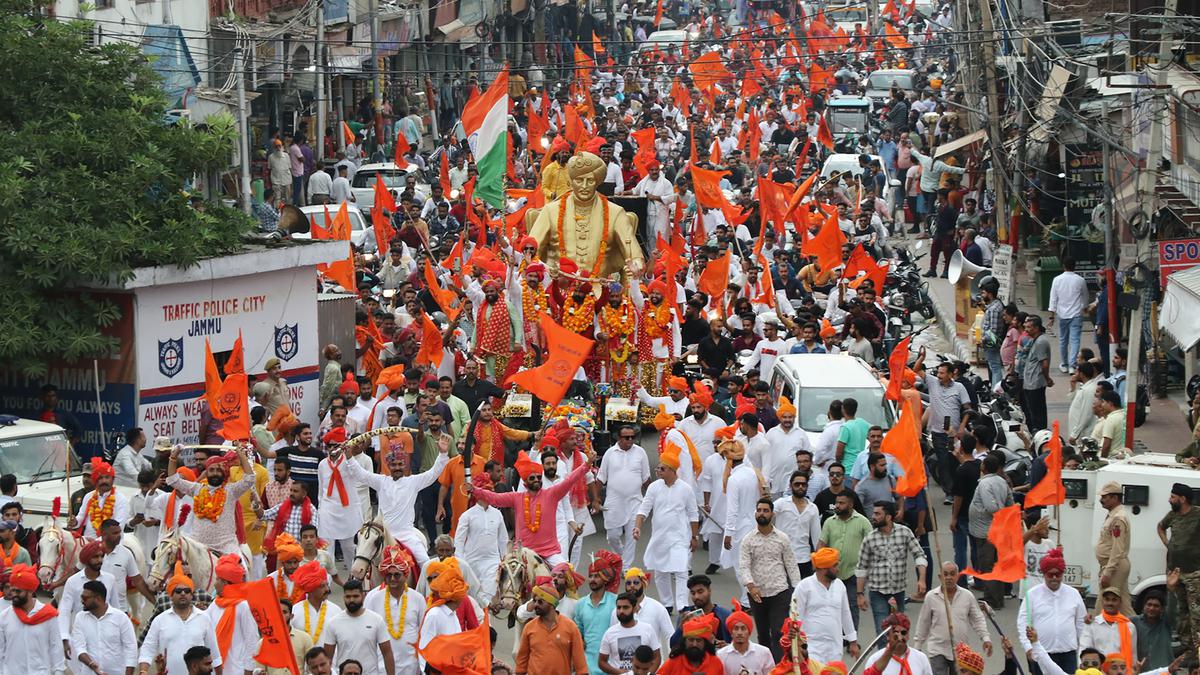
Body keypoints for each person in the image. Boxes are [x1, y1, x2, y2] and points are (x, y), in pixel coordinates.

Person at [337, 431, 450, 567]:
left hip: (407, 535)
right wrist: (349, 457)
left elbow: (434, 473)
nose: (397, 468)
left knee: (426, 564)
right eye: (394, 465)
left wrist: (443, 454)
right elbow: (361, 474)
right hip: (383, 535)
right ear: (389, 466)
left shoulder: (414, 482)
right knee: (361, 563)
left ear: (405, 466)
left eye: (400, 465)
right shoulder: (381, 481)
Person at [470, 449, 590, 567]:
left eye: (538, 477)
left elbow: (570, 480)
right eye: (532, 478)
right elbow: (494, 498)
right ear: (525, 483)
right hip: (523, 552)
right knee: (507, 578)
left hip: (549, 551)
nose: (536, 480)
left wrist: (586, 465)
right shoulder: (516, 498)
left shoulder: (552, 494)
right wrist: (474, 490)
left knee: (565, 572)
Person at [633, 442, 700, 614]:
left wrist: (694, 537)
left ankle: (682, 605)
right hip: (660, 537)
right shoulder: (654, 487)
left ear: (672, 470)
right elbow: (644, 509)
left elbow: (693, 515)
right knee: (660, 571)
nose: (658, 472)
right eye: (658, 469)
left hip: (680, 537)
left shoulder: (685, 489)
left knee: (681, 569)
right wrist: (637, 527)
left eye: (661, 469)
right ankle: (667, 603)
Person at [738, 498, 801, 661]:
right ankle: (765, 665)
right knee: (763, 633)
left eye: (766, 510)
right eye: (759, 510)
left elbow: (791, 565)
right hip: (757, 595)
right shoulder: (748, 540)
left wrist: (797, 591)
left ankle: (779, 666)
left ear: (772, 514)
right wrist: (751, 586)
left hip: (779, 592)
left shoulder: (782, 538)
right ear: (755, 513)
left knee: (779, 632)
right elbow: (744, 566)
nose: (762, 513)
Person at [166, 446, 257, 554]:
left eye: (218, 470)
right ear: (206, 472)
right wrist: (173, 457)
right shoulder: (197, 489)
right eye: (211, 470)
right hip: (198, 546)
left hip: (226, 547)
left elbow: (249, 479)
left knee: (240, 569)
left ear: (224, 472)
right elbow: (173, 480)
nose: (214, 473)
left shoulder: (231, 491)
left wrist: (242, 457)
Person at [856, 500, 928, 632]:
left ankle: (897, 653)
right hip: (877, 592)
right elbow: (862, 568)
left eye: (878, 514)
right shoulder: (869, 539)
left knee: (898, 630)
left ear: (888, 517)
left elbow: (920, 556)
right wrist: (860, 594)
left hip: (898, 591)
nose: (873, 517)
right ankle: (884, 651)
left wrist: (922, 579)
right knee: (882, 631)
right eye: (874, 513)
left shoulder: (905, 532)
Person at [140, 561, 223, 675]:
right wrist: (143, 671)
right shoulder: (160, 620)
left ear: (191, 595)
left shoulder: (204, 618)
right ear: (171, 595)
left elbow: (214, 653)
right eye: (178, 591)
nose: (183, 593)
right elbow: (147, 649)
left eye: (187, 591)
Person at [912, 562, 991, 675]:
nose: (949, 577)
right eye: (945, 574)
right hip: (937, 649)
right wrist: (917, 647)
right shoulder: (931, 597)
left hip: (961, 650)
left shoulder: (967, 596)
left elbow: (977, 619)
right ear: (940, 577)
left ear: (958, 576)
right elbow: (923, 622)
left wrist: (985, 638)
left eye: (952, 574)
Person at [1016, 548, 1087, 674]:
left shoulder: (1074, 594)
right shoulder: (1032, 595)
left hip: (1068, 655)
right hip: (1042, 654)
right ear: (1044, 574)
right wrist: (1028, 647)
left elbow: (1081, 624)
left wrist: (1083, 652)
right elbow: (1023, 623)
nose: (1054, 578)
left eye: (1058, 574)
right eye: (1050, 574)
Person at [791, 547, 859, 663]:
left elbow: (845, 614)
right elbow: (796, 617)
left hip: (835, 647)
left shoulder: (840, 586)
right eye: (834, 566)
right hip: (811, 647)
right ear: (823, 568)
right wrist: (797, 644)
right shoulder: (804, 586)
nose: (838, 569)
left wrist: (853, 642)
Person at [598, 424, 651, 572]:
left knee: (632, 536)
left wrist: (652, 499)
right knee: (613, 535)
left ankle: (626, 567)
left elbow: (646, 478)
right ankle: (621, 557)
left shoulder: (640, 453)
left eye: (633, 437)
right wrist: (595, 500)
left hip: (635, 502)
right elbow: (600, 479)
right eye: (626, 437)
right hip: (614, 502)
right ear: (619, 438)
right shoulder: (610, 453)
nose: (630, 440)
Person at [364, 545, 424, 675]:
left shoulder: (417, 598)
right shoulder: (374, 598)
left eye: (397, 575)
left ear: (405, 575)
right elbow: (368, 631)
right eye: (389, 575)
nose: (392, 579)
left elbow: (422, 631)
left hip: (412, 663)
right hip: (382, 664)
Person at [453, 473, 508, 606]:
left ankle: (488, 623)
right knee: (473, 598)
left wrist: (504, 559)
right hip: (471, 561)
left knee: (488, 596)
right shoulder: (467, 515)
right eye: (486, 490)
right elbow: (459, 541)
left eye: (490, 490)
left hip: (492, 561)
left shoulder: (497, 514)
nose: (489, 493)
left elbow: (503, 539)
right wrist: (461, 563)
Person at [1157, 483, 1200, 655]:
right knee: (1181, 612)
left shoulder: (1197, 514)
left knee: (1196, 614)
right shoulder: (1173, 515)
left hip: (1195, 573)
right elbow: (1160, 527)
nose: (1170, 500)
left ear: (1183, 499)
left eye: (1173, 497)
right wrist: (1168, 544)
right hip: (1175, 573)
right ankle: (1187, 648)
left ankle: (1198, 650)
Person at [0, 564, 65, 673]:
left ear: (30, 592)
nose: (13, 595)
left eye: (18, 591)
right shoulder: (4, 617)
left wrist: (58, 672)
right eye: (12, 590)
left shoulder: (48, 615)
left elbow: (56, 648)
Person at [968, 453, 1014, 608]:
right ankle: (994, 596)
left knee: (988, 565)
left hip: (986, 531)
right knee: (995, 564)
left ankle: (993, 600)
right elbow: (1010, 502)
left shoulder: (985, 484)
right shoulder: (1002, 482)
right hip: (995, 530)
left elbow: (992, 507)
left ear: (984, 467)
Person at [515, 581, 589, 675]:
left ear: (552, 605)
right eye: (535, 601)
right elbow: (521, 664)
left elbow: (581, 665)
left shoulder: (570, 627)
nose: (536, 604)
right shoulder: (529, 627)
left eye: (540, 601)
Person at [323, 579, 395, 675]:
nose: (352, 600)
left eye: (355, 596)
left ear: (363, 596)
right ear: (343, 597)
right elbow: (328, 658)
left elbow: (387, 653)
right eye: (348, 596)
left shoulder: (376, 620)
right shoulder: (333, 622)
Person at [70, 579, 138, 675]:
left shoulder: (121, 618)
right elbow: (79, 647)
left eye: (85, 598)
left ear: (98, 599)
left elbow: (131, 648)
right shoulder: (80, 618)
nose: (81, 601)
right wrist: (91, 664)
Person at [576, 551, 622, 674]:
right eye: (590, 576)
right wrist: (580, 639)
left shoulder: (616, 601)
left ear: (605, 578)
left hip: (610, 666)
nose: (592, 579)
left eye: (597, 576)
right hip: (587, 667)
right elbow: (577, 631)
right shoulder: (580, 604)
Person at [600, 591, 663, 674]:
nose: (621, 611)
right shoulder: (609, 633)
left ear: (634, 608)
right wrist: (620, 673)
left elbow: (657, 656)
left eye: (625, 607)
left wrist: (646, 673)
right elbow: (601, 662)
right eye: (619, 607)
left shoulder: (647, 629)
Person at [774, 471, 823, 577]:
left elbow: (817, 537)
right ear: (791, 486)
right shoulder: (781, 504)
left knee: (802, 592)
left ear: (807, 486)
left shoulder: (812, 508)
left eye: (803, 484)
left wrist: (818, 561)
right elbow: (762, 515)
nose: (800, 487)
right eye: (797, 484)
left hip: (804, 559)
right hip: (781, 558)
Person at [1095, 480, 1133, 614]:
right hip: (1113, 565)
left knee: (1104, 602)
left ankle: (1096, 628)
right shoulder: (1113, 515)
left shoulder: (1118, 518)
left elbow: (1118, 548)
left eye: (1105, 497)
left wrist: (1108, 572)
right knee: (1124, 604)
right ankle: (1136, 630)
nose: (1101, 500)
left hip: (1114, 566)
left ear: (1115, 498)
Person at [68, 460, 131, 538]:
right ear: (96, 479)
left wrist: (98, 543)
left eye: (107, 477)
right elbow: (81, 517)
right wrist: (75, 522)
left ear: (113, 479)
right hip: (88, 543)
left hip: (111, 544)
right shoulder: (89, 496)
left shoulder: (121, 500)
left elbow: (118, 527)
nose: (104, 481)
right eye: (100, 478)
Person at [1048, 257, 1089, 374]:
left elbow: (1053, 299)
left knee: (1063, 340)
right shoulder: (1080, 280)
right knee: (1075, 340)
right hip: (1076, 314)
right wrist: (1084, 308)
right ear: (1074, 266)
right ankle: (1072, 365)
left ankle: (1064, 364)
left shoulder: (1057, 280)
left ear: (1063, 266)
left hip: (1062, 314)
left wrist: (1052, 316)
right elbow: (1085, 297)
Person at [862, 612, 933, 675]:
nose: (900, 637)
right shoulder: (875, 659)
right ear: (888, 636)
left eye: (903, 633)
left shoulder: (921, 658)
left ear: (908, 635)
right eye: (895, 633)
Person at [1081, 587, 1138, 665]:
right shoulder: (1093, 624)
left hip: (1120, 671)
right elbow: (1084, 650)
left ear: (1120, 602)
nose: (1110, 603)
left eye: (1114, 600)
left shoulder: (1129, 627)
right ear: (1102, 602)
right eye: (1107, 599)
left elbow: (1133, 655)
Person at [717, 602, 775, 675]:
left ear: (749, 632)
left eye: (743, 629)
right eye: (736, 628)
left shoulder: (764, 652)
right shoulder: (721, 655)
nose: (739, 632)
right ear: (731, 632)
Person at [658, 613, 724, 675]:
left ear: (705, 643)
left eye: (698, 640)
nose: (694, 644)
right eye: (691, 640)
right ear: (684, 642)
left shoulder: (715, 663)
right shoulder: (672, 663)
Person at [1022, 315, 1054, 432]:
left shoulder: (1041, 342)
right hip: (1030, 382)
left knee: (1037, 413)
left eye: (1029, 327)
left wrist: (1048, 379)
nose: (1026, 329)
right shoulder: (1035, 340)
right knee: (1032, 411)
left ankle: (1040, 433)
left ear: (1036, 328)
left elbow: (1044, 364)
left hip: (1035, 383)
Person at [1130, 590, 1173, 670]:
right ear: (1144, 606)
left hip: (1163, 671)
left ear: (1162, 609)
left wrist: (1171, 590)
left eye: (1156, 606)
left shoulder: (1166, 623)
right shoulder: (1134, 622)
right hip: (1142, 671)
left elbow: (1172, 609)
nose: (1152, 608)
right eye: (1149, 605)